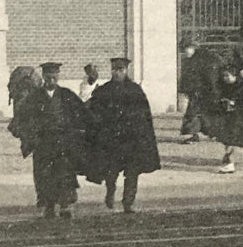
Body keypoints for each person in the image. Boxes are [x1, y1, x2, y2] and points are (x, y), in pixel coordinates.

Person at [84, 57, 161, 214]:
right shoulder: (104, 91)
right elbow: (93, 113)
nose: (118, 73)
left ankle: (128, 202)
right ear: (111, 71)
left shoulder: (135, 91)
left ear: (126, 71)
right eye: (115, 70)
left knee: (132, 172)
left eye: (121, 70)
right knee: (111, 172)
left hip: (131, 140)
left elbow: (144, 116)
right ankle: (110, 192)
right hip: (111, 140)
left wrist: (142, 137)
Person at [14, 62, 88, 220]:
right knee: (44, 175)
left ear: (58, 77)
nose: (51, 80)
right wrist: (29, 137)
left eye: (54, 76)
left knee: (64, 174)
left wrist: (78, 132)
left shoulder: (67, 95)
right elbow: (22, 118)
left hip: (63, 142)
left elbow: (82, 113)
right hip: (43, 144)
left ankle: (65, 206)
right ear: (43, 77)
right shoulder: (34, 97)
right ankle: (48, 206)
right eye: (48, 77)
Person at [179, 37, 219, 143]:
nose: (184, 52)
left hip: (202, 90)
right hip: (198, 90)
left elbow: (209, 75)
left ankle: (191, 134)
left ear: (192, 47)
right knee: (202, 112)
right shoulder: (192, 59)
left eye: (185, 49)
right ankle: (211, 133)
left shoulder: (202, 59)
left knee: (194, 112)